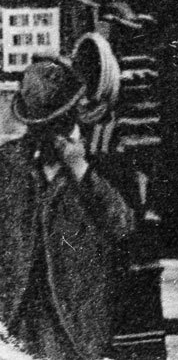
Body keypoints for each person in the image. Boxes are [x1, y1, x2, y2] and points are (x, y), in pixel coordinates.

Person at [0, 56, 136, 360]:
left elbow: (123, 226)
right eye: (42, 126)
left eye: (60, 122)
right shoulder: (8, 162)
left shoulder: (102, 154)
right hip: (17, 320)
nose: (54, 134)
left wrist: (81, 169)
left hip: (77, 325)